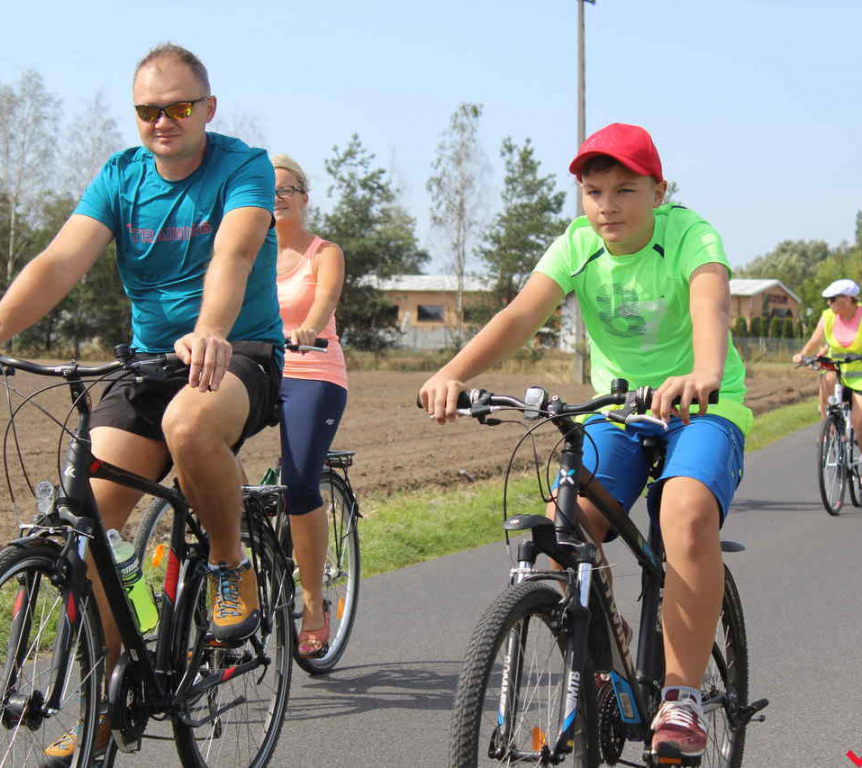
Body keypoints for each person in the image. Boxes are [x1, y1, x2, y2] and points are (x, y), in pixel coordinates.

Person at [0, 43, 284, 767]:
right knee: (86, 528)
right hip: (148, 364)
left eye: (180, 106)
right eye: (148, 110)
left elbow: (235, 253)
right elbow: (61, 260)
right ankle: (102, 711)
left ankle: (228, 564)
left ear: (208, 109)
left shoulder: (242, 165)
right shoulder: (121, 177)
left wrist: (211, 330)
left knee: (189, 428)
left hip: (235, 354)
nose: (164, 121)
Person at [419, 123, 752, 763]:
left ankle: (681, 695)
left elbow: (710, 306)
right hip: (620, 411)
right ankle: (597, 654)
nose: (607, 205)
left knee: (682, 514)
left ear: (659, 190)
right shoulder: (577, 244)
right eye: (594, 191)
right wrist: (456, 372)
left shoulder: (691, 235)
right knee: (561, 531)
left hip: (703, 407)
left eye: (625, 189)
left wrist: (705, 373)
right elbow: (521, 313)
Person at [271, 153, 348, 658]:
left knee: (299, 480)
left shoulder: (325, 253)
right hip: (259, 371)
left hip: (313, 371)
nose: (275, 198)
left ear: (303, 196)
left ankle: (313, 601)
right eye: (266, 190)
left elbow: (322, 304)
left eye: (285, 189)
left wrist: (309, 327)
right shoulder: (247, 253)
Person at [793, 279, 862, 440]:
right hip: (836, 369)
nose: (828, 302)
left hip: (859, 375)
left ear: (846, 298)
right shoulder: (828, 317)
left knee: (859, 423)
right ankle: (829, 424)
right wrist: (803, 354)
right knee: (826, 380)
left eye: (832, 299)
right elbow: (815, 340)